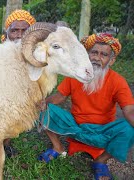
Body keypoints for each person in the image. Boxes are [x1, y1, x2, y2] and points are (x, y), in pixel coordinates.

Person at [38, 33, 134, 180]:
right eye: (94, 52)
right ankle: (58, 147)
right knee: (42, 110)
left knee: (128, 128)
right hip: (75, 126)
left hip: (103, 131)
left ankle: (101, 161)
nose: (97, 57)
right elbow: (60, 97)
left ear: (111, 60)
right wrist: (43, 103)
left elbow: (129, 110)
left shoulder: (118, 81)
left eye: (104, 55)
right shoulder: (76, 75)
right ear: (86, 54)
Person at [1, 9, 36, 158]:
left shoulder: (37, 55)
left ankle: (6, 143)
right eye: (14, 30)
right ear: (7, 34)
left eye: (24, 30)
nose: (19, 35)